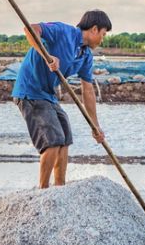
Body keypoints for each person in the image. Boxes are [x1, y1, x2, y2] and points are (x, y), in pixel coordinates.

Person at [12, 10, 110, 188]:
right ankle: (43, 190)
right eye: (103, 34)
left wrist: (95, 126)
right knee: (53, 140)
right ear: (94, 29)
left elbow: (88, 90)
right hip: (30, 91)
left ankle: (60, 188)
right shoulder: (63, 31)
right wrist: (47, 56)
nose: (102, 39)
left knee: (65, 137)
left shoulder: (85, 55)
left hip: (48, 95)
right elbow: (30, 29)